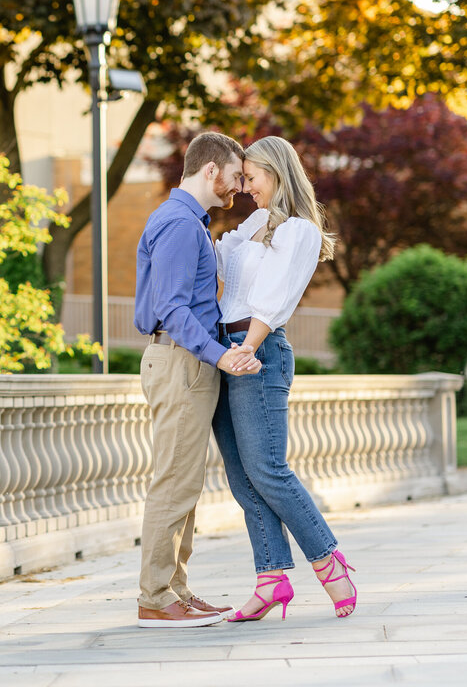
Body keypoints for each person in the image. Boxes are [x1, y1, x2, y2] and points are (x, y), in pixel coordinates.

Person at [212, 135, 358, 622]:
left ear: (276, 171)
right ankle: (271, 579)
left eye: (250, 177)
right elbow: (218, 257)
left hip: (259, 351)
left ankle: (328, 561)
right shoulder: (257, 222)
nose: (245, 187)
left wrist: (247, 350)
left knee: (268, 469)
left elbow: (272, 298)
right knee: (241, 476)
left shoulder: (298, 231)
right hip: (227, 352)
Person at [133, 131, 262, 629]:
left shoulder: (190, 223)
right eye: (235, 176)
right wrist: (218, 355)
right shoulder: (180, 225)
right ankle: (155, 597)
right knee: (173, 482)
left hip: (190, 362)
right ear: (211, 170)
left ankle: (175, 589)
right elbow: (170, 308)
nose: (239, 187)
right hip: (181, 361)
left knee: (184, 484)